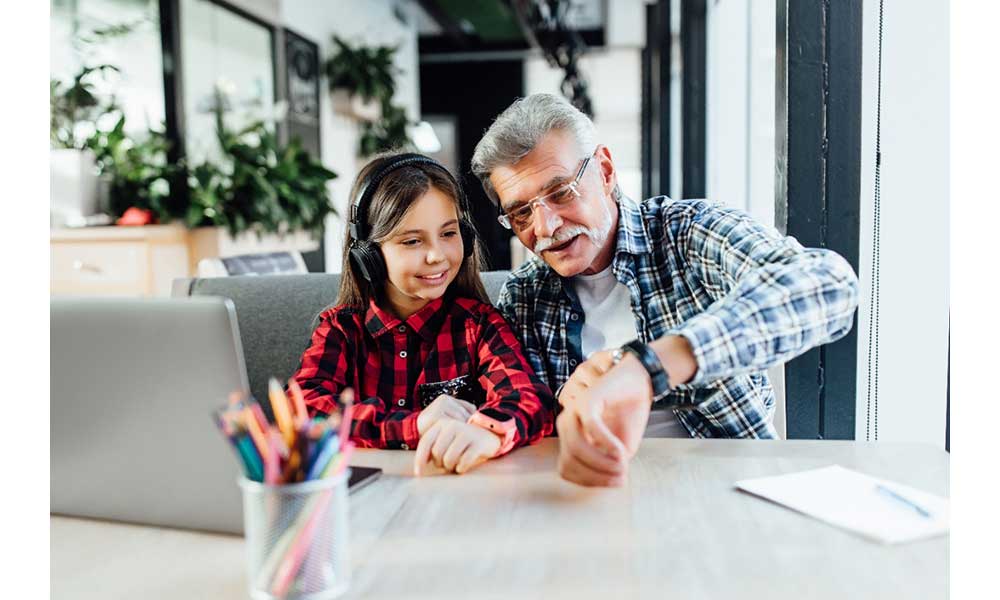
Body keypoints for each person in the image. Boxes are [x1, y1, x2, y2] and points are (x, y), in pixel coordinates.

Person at [471, 93, 859, 486]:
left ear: (605, 172)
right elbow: (525, 425)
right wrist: (560, 408)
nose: (545, 227)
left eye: (561, 192)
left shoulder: (688, 234)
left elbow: (830, 285)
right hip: (599, 500)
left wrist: (651, 366)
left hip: (729, 490)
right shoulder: (524, 298)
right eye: (521, 212)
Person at [290, 151, 554, 476]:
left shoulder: (478, 326)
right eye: (413, 241)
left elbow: (530, 399)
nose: (436, 256)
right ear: (368, 254)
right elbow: (303, 411)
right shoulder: (341, 330)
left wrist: (488, 431)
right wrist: (413, 425)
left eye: (448, 234)